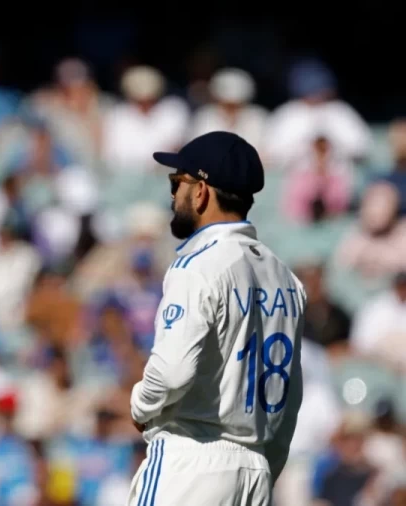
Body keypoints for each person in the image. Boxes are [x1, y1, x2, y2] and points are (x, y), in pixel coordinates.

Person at [127, 131, 307, 505]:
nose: (173, 195)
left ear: (201, 191)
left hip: (191, 459)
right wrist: (263, 466)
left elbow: (171, 372)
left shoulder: (198, 265)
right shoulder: (287, 279)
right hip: (255, 467)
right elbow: (288, 400)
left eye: (177, 183)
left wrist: (140, 406)